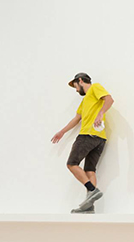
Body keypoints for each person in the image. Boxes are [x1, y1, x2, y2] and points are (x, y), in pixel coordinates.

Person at [51, 73, 114, 214]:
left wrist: (100, 114)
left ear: (80, 80)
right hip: (100, 139)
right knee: (89, 170)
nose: (76, 90)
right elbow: (76, 119)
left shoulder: (95, 87)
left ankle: (92, 190)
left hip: (87, 136)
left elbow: (109, 100)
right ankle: (89, 206)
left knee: (71, 164)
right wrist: (62, 132)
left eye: (75, 86)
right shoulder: (85, 101)